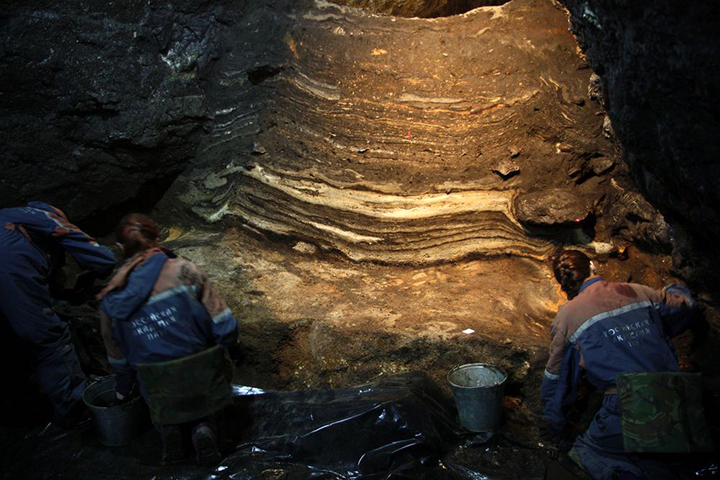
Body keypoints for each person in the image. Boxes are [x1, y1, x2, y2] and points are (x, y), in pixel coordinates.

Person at [540, 249, 701, 480]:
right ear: (593, 267)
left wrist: (553, 425)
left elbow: (559, 380)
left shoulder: (568, 316)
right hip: (679, 396)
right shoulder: (638, 291)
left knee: (584, 451)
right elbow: (684, 307)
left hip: (631, 404)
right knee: (667, 459)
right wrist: (674, 290)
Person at [97, 213, 239, 465]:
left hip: (156, 382)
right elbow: (225, 325)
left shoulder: (112, 297)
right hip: (199, 372)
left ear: (119, 249)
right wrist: (222, 351)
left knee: (154, 387)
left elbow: (116, 351)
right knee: (205, 372)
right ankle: (204, 428)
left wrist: (122, 387)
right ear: (158, 238)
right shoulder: (184, 271)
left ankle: (169, 431)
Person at [0, 201, 117, 428]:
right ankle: (77, 410)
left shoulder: (8, 215)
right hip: (8, 265)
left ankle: (17, 409)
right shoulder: (47, 217)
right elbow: (102, 260)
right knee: (48, 337)